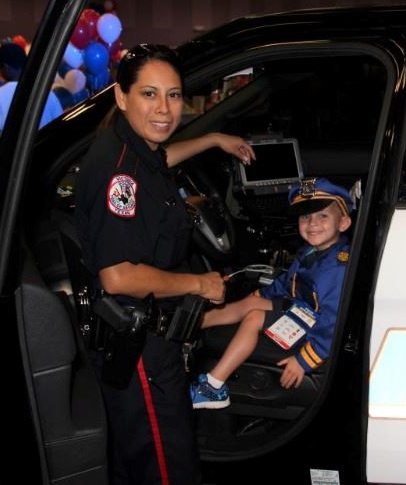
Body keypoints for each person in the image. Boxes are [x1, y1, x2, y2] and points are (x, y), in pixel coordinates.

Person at [74, 43, 255, 485]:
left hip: (154, 341)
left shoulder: (132, 146)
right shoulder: (118, 175)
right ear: (121, 96)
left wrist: (213, 139)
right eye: (149, 95)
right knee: (165, 466)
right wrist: (198, 284)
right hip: (140, 348)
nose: (164, 108)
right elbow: (118, 276)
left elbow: (160, 161)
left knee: (141, 460)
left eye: (173, 95)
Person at [190, 177, 353, 409]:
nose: (312, 223)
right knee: (251, 303)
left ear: (344, 223)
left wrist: (303, 360)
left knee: (254, 316)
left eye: (323, 216)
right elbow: (287, 284)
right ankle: (194, 324)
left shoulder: (337, 269)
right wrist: (259, 296)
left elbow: (332, 324)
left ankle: (213, 387)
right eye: (305, 216)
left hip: (314, 325)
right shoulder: (309, 252)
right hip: (299, 308)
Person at [0, 42, 63, 152]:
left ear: (6, 67)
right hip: (45, 159)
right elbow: (60, 127)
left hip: (14, 163)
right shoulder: (48, 93)